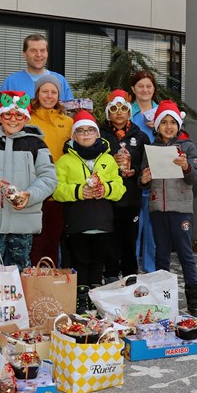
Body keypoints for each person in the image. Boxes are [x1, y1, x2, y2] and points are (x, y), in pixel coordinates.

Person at [0, 91, 57, 268]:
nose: (13, 119)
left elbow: (49, 178)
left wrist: (30, 195)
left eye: (19, 115)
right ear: (0, 116)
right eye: (8, 114)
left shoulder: (37, 145)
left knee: (21, 268)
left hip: (23, 220)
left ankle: (19, 296)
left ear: (26, 118)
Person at [138, 100, 197, 316]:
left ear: (178, 124)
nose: (168, 126)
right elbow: (142, 180)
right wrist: (145, 179)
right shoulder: (152, 148)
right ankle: (163, 297)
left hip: (182, 209)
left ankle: (194, 298)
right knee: (161, 255)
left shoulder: (188, 146)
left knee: (186, 254)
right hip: (158, 208)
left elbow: (194, 178)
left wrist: (186, 166)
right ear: (157, 126)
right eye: (164, 122)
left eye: (172, 122)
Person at [53, 110, 125, 306]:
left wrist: (105, 189)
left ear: (97, 134)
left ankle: (95, 295)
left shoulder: (108, 159)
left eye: (90, 130)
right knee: (79, 260)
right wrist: (78, 191)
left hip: (102, 221)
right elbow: (56, 190)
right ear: (74, 136)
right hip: (77, 221)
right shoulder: (65, 161)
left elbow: (119, 188)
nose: (86, 134)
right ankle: (81, 296)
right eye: (81, 131)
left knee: (98, 260)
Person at [98, 90, 148, 280]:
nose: (119, 113)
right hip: (106, 197)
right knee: (108, 239)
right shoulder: (98, 134)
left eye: (123, 109)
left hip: (130, 197)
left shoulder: (140, 136)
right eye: (114, 109)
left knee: (129, 239)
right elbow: (92, 161)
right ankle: (110, 275)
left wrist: (134, 170)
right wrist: (111, 160)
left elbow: (145, 164)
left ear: (129, 112)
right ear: (107, 112)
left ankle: (130, 277)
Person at [28, 73, 73, 266]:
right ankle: (33, 280)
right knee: (36, 239)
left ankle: (51, 281)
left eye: (53, 92)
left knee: (54, 238)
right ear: (37, 94)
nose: (49, 96)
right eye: (44, 91)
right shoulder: (27, 119)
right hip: (34, 186)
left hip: (58, 189)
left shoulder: (68, 122)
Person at [129, 70, 159, 272]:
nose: (145, 90)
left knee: (152, 229)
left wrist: (158, 127)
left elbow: (174, 137)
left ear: (154, 89)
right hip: (132, 175)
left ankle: (151, 269)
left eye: (149, 86)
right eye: (140, 86)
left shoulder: (162, 113)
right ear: (133, 89)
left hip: (156, 174)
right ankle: (130, 269)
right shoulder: (126, 111)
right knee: (132, 229)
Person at [0, 34, 74, 101]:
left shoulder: (60, 80)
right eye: (33, 51)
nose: (38, 55)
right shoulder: (11, 82)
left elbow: (70, 111)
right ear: (25, 54)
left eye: (42, 50)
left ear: (47, 53)